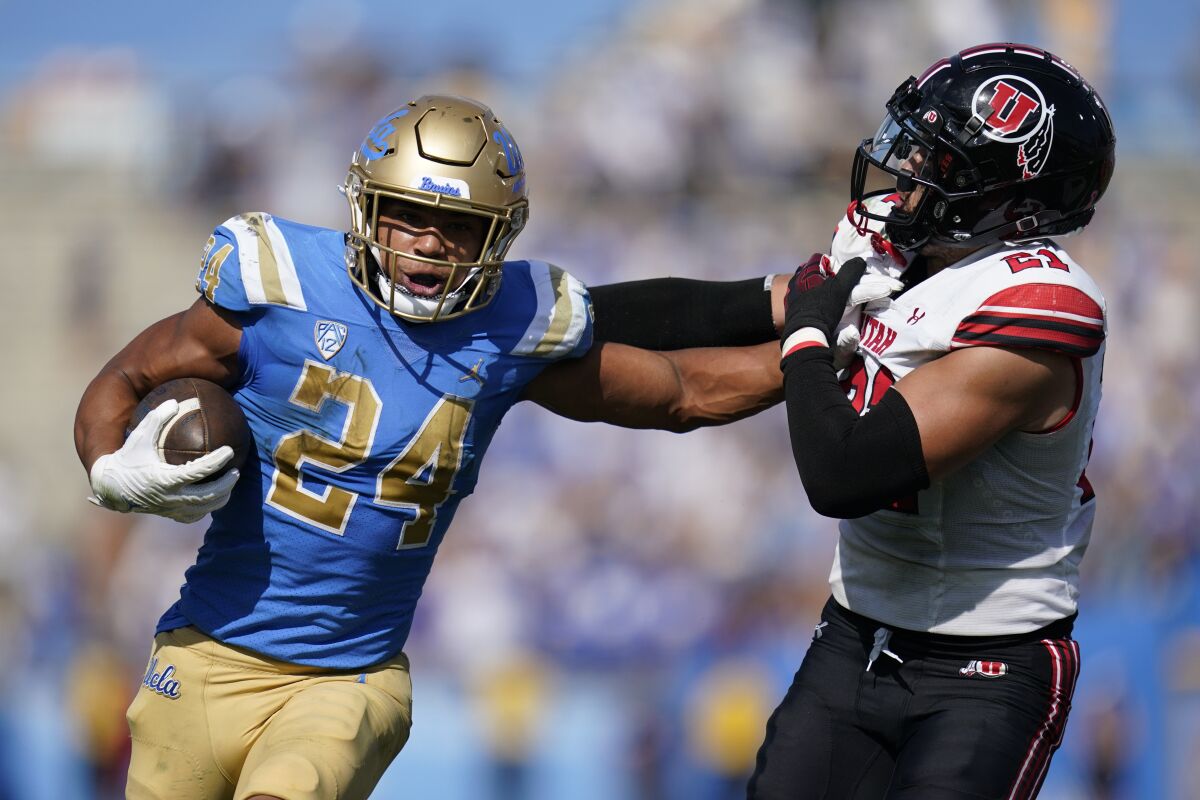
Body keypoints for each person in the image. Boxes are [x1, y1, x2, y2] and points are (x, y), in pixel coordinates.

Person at [74, 95, 794, 800]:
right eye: (409, 215)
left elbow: (678, 392)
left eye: (458, 225)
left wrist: (821, 348)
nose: (427, 242)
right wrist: (107, 467)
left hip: (345, 684)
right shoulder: (279, 285)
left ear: (498, 236)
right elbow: (129, 374)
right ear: (366, 206)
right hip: (202, 658)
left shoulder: (510, 326)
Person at [750, 43, 1115, 799]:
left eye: (938, 155)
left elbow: (843, 474)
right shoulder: (908, 263)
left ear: (1008, 195)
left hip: (986, 666)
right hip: (853, 634)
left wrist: (811, 338)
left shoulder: (1040, 304)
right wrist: (565, 313)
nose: (908, 164)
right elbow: (719, 314)